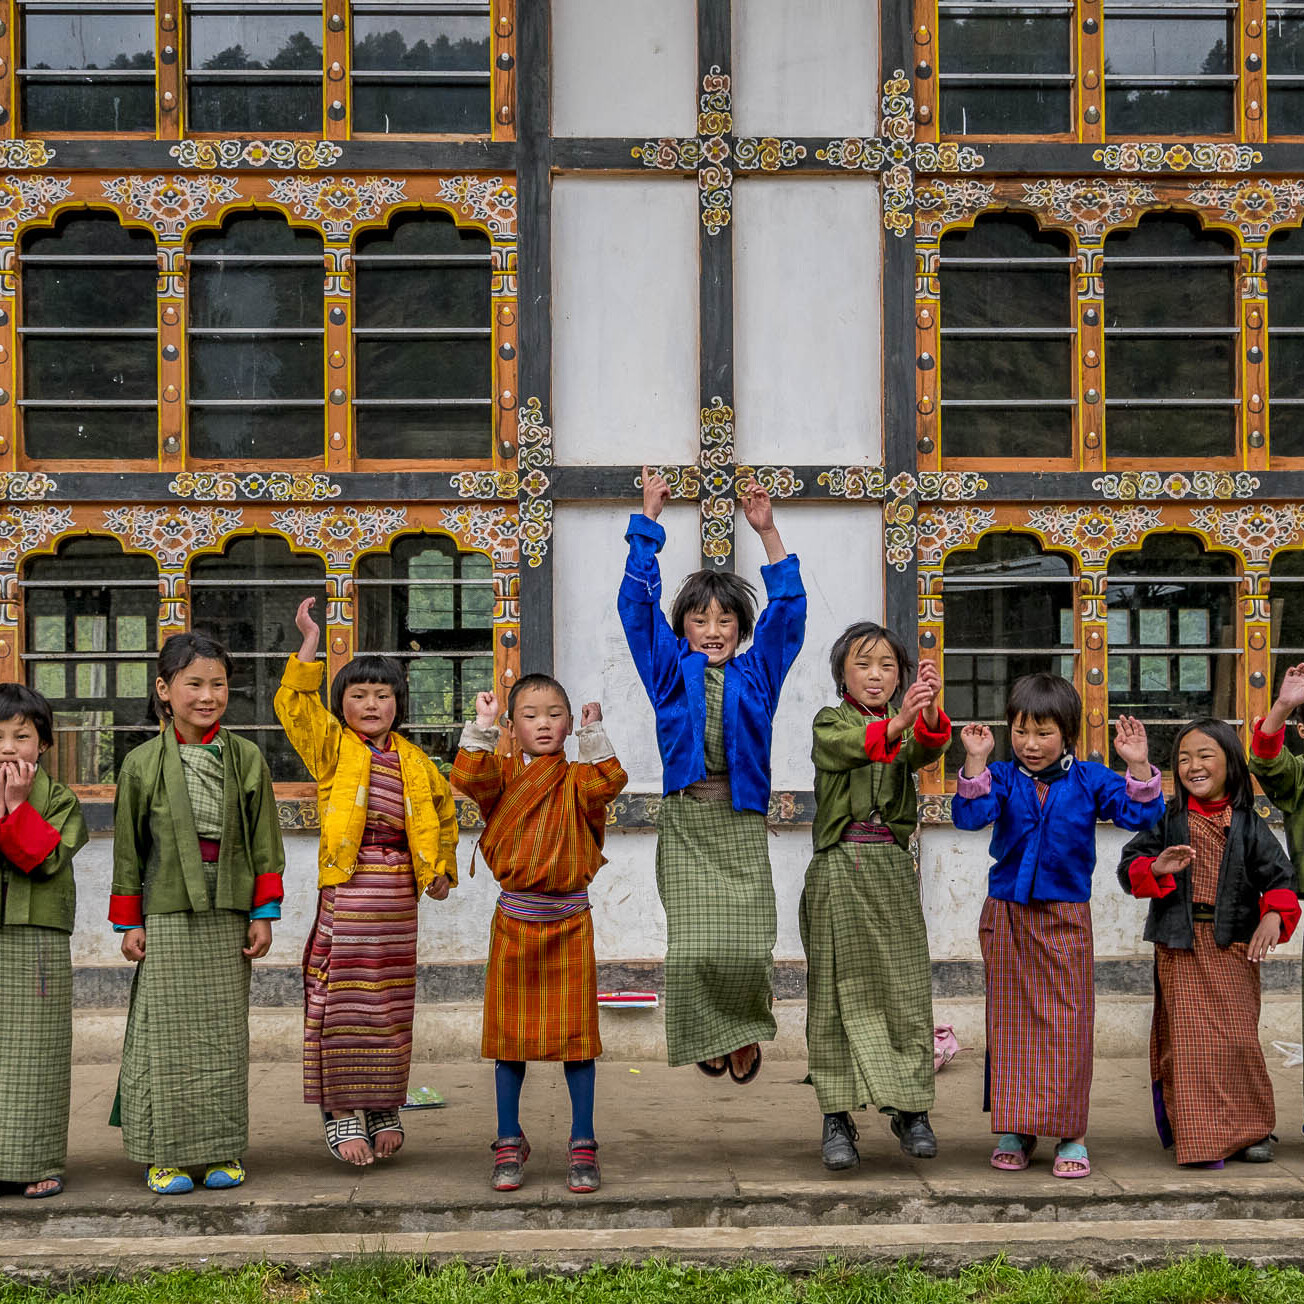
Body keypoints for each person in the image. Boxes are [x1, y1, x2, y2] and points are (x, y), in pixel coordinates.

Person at [619, 468, 805, 1083]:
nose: (714, 631)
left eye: (726, 621)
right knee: (697, 948)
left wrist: (769, 532)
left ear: (741, 629)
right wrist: (649, 522)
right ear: (684, 629)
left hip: (742, 819)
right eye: (700, 621)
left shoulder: (760, 674)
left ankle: (746, 1029)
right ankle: (713, 1034)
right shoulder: (667, 670)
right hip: (689, 821)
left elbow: (791, 611)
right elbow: (634, 607)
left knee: (748, 947)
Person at [952, 673, 1163, 1179]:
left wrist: (1136, 764)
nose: (1030, 745)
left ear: (1067, 733)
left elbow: (1141, 813)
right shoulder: (1002, 776)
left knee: (1066, 1024)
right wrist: (976, 762)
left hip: (1066, 919)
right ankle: (1017, 1128)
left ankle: (1071, 1132)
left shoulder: (1090, 779)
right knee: (1012, 1024)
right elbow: (969, 817)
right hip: (1007, 915)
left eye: (1044, 733)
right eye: (1021, 731)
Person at [275, 598, 457, 1167]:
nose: (371, 704)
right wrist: (309, 643)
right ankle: (340, 1111)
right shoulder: (333, 749)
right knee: (344, 1001)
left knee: (392, 1003)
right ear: (342, 705)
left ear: (398, 703)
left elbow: (442, 813)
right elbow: (293, 705)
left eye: (382, 695)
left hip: (399, 896)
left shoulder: (416, 760)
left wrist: (442, 869)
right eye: (358, 695)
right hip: (350, 891)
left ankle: (382, 1104)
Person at [111, 633, 284, 1194]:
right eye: (194, 684)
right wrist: (130, 922)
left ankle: (220, 1151)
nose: (208, 696)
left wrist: (263, 912)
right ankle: (164, 1153)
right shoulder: (140, 763)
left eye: (218, 684)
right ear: (164, 690)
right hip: (164, 908)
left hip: (228, 907)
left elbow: (264, 839)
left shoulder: (246, 757)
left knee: (224, 1036)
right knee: (165, 1034)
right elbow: (128, 849)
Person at [453, 677, 627, 1194]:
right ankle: (508, 1137)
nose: (544, 723)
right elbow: (468, 776)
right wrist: (481, 727)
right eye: (530, 715)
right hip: (514, 923)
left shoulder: (577, 779)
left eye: (555, 714)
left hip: (571, 922)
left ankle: (583, 1140)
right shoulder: (502, 776)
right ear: (513, 728)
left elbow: (607, 785)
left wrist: (595, 737)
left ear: (569, 725)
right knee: (510, 1042)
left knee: (578, 1042)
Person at [801, 622, 951, 1170]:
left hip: (890, 865)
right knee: (837, 994)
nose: (875, 675)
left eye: (887, 666)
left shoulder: (906, 725)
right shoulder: (829, 721)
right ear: (842, 671)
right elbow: (848, 749)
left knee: (904, 987)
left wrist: (928, 713)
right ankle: (836, 1116)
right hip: (839, 865)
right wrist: (901, 721)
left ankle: (910, 1108)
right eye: (863, 664)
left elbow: (928, 749)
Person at [1120, 718, 1299, 1167]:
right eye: (1183, 758)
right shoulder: (1168, 818)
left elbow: (1280, 876)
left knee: (1238, 1041)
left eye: (1205, 756)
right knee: (1189, 1045)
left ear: (1231, 765)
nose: (1192, 766)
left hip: (1233, 947)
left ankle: (1251, 1130)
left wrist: (1273, 916)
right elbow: (1130, 867)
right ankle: (1201, 1139)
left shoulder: (1247, 824)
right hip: (1180, 946)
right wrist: (1157, 867)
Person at [0, 684, 87, 1199]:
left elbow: (43, 860)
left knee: (37, 1050)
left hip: (38, 935)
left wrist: (14, 806)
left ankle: (36, 1160)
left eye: (22, 736)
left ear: (45, 745)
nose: (9, 747)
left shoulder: (60, 800)